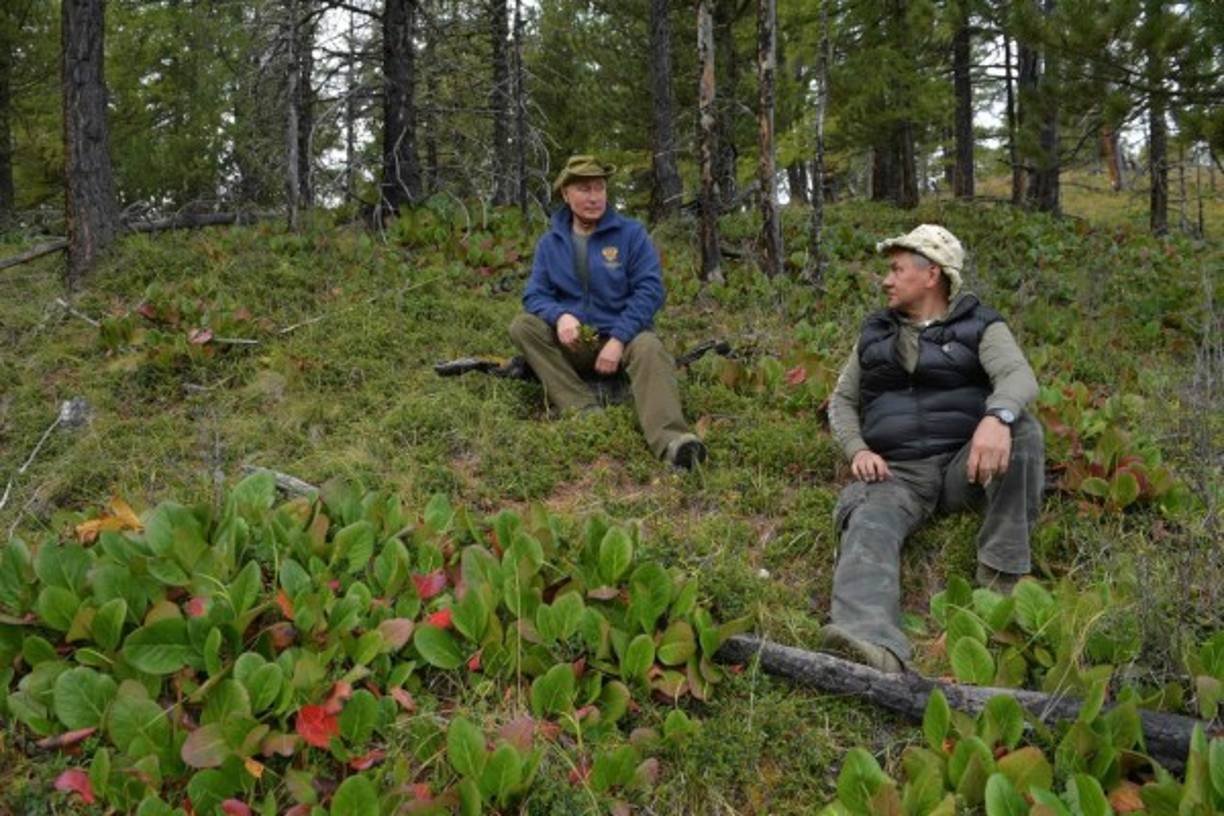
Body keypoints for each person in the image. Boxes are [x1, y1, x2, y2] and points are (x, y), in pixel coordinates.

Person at [819, 224, 1044, 673]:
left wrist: (996, 418)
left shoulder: (981, 323)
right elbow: (841, 401)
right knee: (869, 518)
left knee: (1024, 430)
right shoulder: (874, 333)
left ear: (932, 275)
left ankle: (1002, 582)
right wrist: (858, 450)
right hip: (896, 473)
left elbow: (1019, 378)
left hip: (966, 465)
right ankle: (869, 641)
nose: (886, 280)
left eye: (896, 269)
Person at [508, 155, 707, 469]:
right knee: (524, 326)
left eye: (599, 188)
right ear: (565, 194)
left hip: (624, 343)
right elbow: (534, 294)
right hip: (576, 343)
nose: (594, 197)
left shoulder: (631, 234)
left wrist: (618, 338)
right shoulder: (550, 243)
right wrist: (560, 316)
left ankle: (673, 442)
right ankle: (582, 408)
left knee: (650, 347)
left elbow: (650, 290)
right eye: (585, 189)